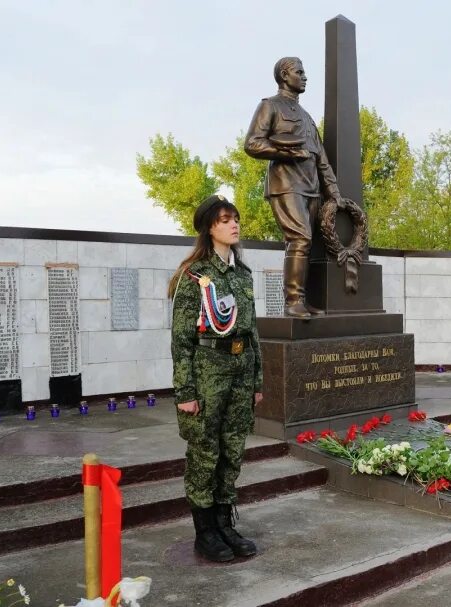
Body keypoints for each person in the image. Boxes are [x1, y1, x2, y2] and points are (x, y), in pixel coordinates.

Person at [168, 194, 264, 562]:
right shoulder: (194, 276)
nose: (234, 224)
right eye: (225, 219)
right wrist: (185, 391)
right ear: (209, 227)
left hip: (241, 370)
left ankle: (225, 522)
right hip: (208, 370)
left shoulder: (242, 274)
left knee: (233, 449)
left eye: (235, 218)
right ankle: (204, 530)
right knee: (205, 451)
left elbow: (252, 330)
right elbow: (181, 340)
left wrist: (256, 380)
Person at [244, 56, 346, 318]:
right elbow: (253, 144)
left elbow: (321, 158)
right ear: (284, 75)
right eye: (299, 72)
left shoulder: (307, 117)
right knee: (300, 238)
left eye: (304, 72)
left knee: (306, 244)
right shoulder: (270, 106)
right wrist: (288, 154)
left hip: (311, 187)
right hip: (286, 185)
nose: (304, 76)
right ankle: (292, 302)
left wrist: (334, 194)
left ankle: (301, 300)